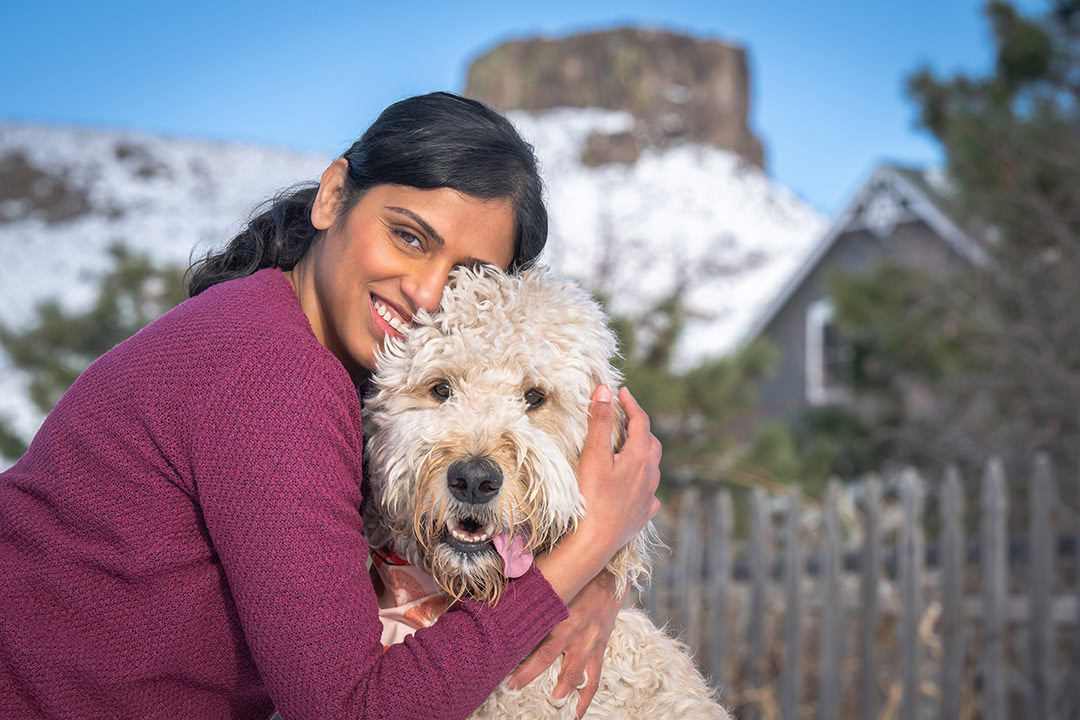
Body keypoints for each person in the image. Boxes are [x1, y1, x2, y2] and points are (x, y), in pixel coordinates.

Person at [0, 92, 662, 720]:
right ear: (332, 195)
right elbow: (348, 710)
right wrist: (588, 548)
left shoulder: (330, 366)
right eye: (409, 237)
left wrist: (601, 581)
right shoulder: (275, 374)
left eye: (465, 276)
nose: (427, 292)